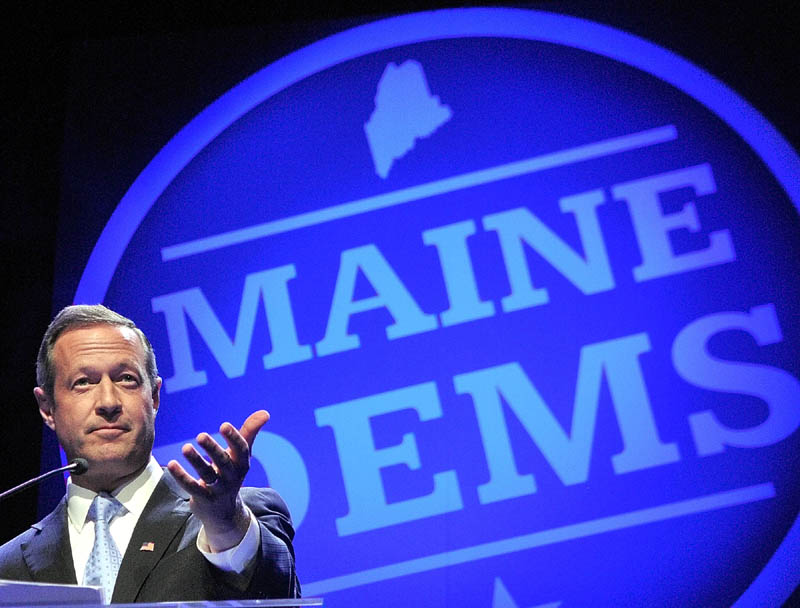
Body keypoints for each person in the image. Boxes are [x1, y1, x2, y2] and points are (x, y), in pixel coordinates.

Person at [0, 304, 300, 602]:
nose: (108, 401)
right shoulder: (8, 565)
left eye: (126, 379)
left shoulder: (231, 516)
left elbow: (275, 591)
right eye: (83, 383)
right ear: (47, 408)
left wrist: (227, 524)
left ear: (154, 396)